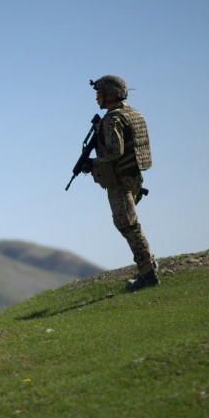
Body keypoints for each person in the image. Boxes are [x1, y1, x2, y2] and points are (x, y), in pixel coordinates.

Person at [80, 75, 160, 291]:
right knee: (129, 222)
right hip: (134, 177)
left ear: (111, 95)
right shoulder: (134, 114)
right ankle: (149, 265)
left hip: (120, 181)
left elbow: (116, 151)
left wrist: (93, 163)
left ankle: (148, 272)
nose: (97, 98)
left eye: (100, 94)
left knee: (127, 224)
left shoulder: (113, 119)